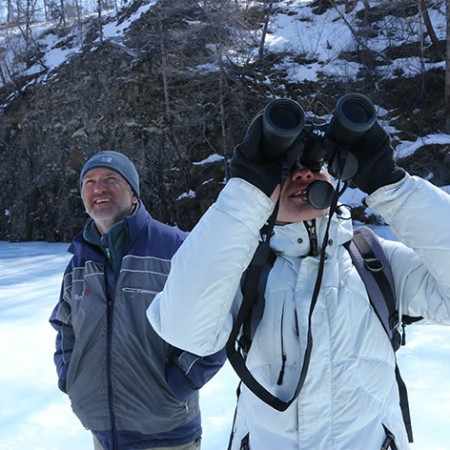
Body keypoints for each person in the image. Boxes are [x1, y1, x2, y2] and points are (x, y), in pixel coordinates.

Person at [146, 103, 450, 450]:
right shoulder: (241, 269)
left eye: (314, 166)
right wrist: (245, 196)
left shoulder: (373, 261)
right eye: (287, 169)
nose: (302, 175)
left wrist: (392, 185)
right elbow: (182, 327)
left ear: (335, 178)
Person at [49, 150, 226, 450]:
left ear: (133, 194)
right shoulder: (80, 260)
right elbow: (65, 325)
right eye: (89, 182)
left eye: (110, 179)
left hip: (166, 435)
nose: (98, 188)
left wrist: (176, 386)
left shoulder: (177, 248)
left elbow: (217, 323)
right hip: (103, 434)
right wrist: (72, 379)